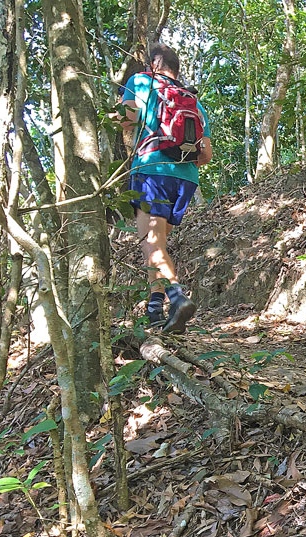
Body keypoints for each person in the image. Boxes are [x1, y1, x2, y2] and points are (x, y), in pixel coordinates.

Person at [121, 44, 212, 333]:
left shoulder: (141, 82)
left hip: (151, 171)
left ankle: (176, 296)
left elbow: (127, 120)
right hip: (186, 179)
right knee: (157, 243)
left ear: (153, 64)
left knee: (151, 242)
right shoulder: (194, 103)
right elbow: (206, 155)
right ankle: (155, 311)